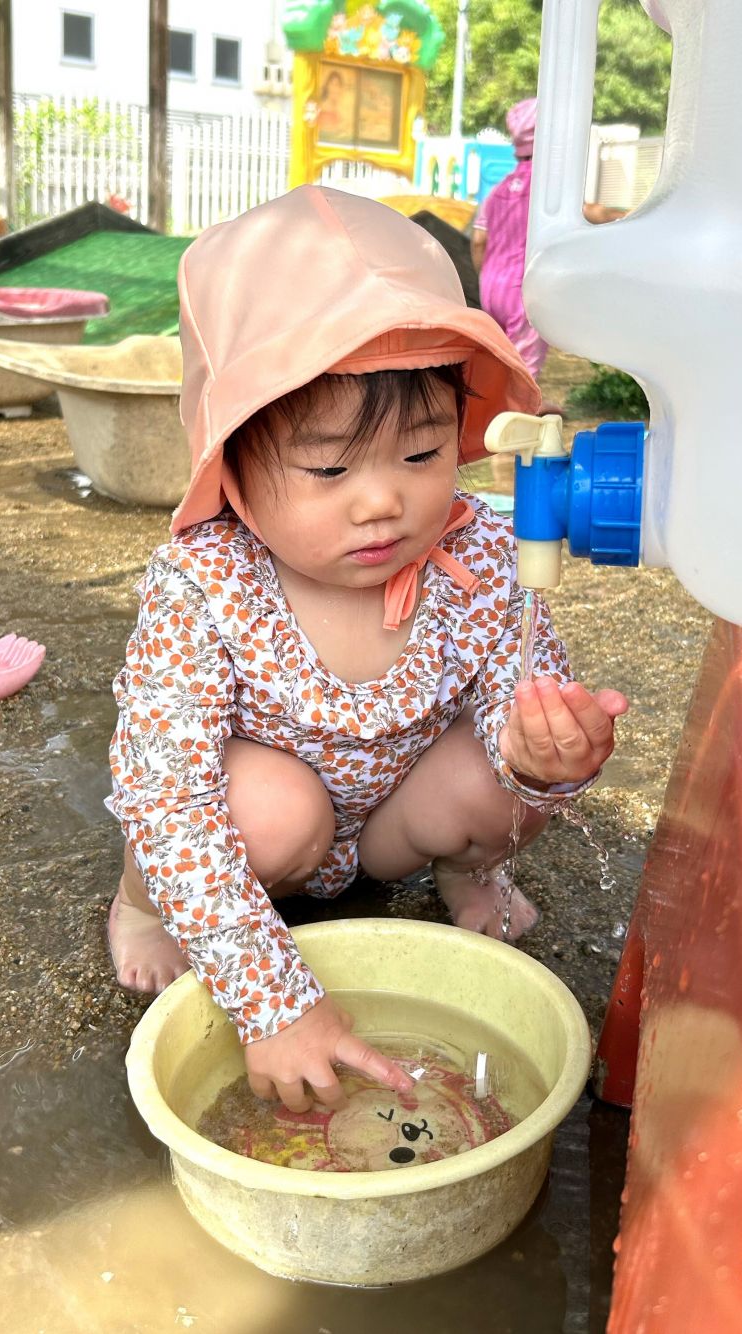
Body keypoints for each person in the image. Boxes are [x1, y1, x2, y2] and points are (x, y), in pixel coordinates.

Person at [106, 186, 627, 1113]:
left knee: (491, 777)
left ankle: (470, 869)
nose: (382, 501)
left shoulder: (478, 557)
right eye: (332, 468)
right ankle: (144, 905)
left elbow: (520, 697)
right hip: (263, 817)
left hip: (392, 819)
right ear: (230, 464)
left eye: (421, 455)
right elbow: (166, 787)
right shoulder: (206, 582)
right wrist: (269, 1006)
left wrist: (547, 756)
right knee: (268, 811)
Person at [470, 98, 548, 382]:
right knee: (523, 375)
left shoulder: (498, 189)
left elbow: (479, 240)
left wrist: (486, 276)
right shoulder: (544, 192)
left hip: (491, 288)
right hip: (523, 293)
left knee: (498, 364)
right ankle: (517, 417)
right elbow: (588, 213)